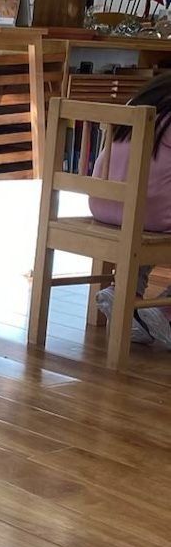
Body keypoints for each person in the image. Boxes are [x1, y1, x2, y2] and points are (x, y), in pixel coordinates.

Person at [90, 73, 171, 346]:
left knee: (151, 201)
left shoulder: (141, 100)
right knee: (156, 206)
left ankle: (126, 295)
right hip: (148, 210)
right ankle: (164, 312)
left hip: (104, 203)